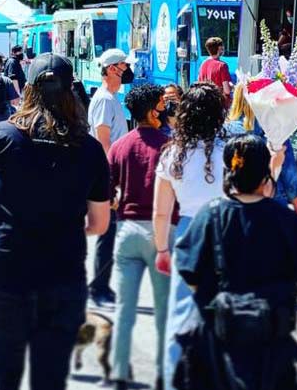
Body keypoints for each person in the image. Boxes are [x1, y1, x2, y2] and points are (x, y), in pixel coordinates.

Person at [0, 53, 111, 390]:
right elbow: (99, 223)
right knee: (50, 380)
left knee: (0, 377)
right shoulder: (91, 150)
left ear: (28, 91)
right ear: (72, 92)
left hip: (7, 274)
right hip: (64, 277)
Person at [173, 134, 297, 390]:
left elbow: (190, 271)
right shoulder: (285, 220)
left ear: (228, 170)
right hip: (272, 340)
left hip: (218, 339)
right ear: (264, 172)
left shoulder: (210, 215)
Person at [153, 82, 227, 390]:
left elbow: (160, 211)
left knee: (182, 313)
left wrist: (161, 249)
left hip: (187, 233)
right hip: (226, 231)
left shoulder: (173, 154)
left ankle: (175, 379)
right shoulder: (230, 151)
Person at [108, 84, 175, 390]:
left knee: (124, 308)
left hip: (126, 231)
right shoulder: (169, 146)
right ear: (151, 110)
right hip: (162, 234)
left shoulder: (119, 146)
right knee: (164, 310)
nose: (165, 111)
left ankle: (119, 371)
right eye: (161, 105)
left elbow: (108, 196)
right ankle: (164, 373)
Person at [88, 47, 136, 307]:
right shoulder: (105, 99)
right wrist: (113, 179)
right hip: (108, 173)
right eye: (123, 65)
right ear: (110, 69)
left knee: (110, 233)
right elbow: (104, 140)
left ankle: (100, 285)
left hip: (109, 173)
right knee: (108, 232)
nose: (127, 70)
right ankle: (98, 288)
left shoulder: (110, 98)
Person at [225, 84, 297, 214]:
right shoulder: (275, 130)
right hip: (274, 198)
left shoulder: (226, 131)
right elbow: (289, 173)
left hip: (236, 200)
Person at [197, 37, 233, 106]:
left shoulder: (203, 64)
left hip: (205, 102)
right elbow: (227, 91)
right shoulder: (222, 66)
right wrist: (232, 86)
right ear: (219, 49)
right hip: (219, 104)